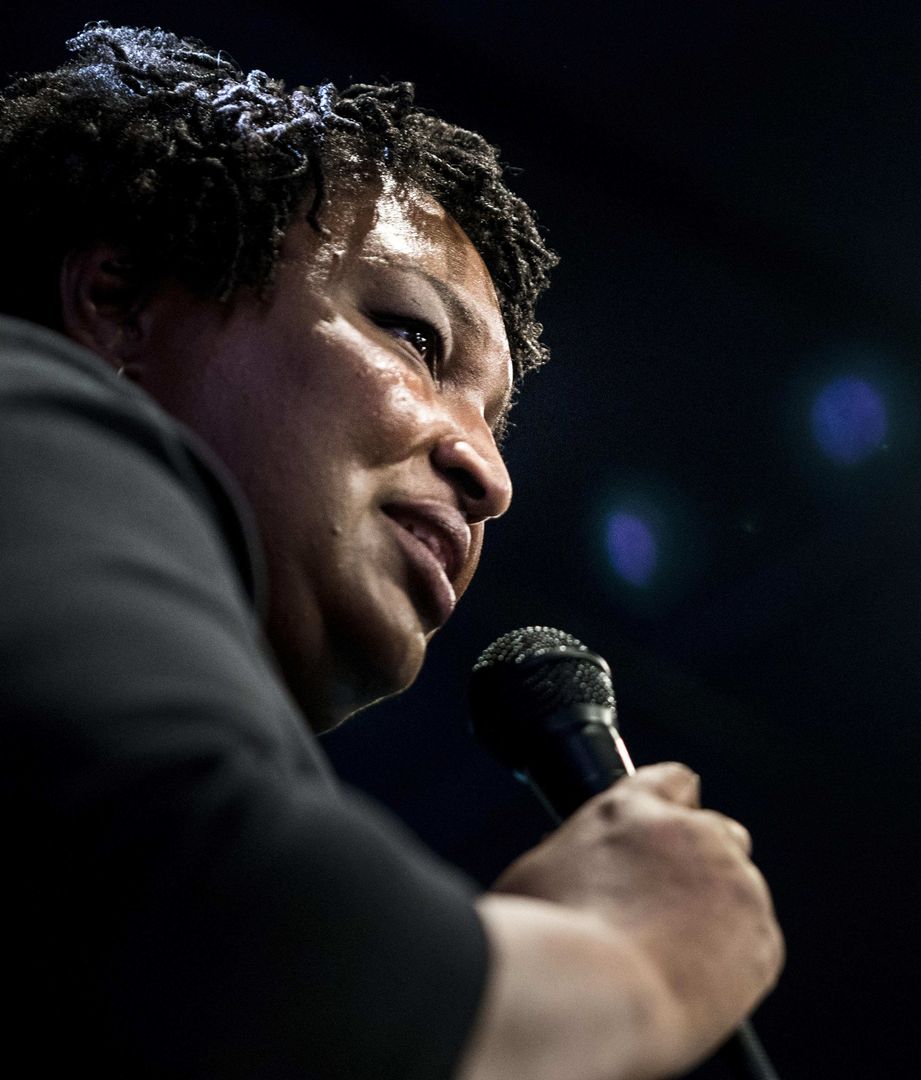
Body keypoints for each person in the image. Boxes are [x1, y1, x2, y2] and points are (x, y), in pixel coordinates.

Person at [0, 23, 782, 1079]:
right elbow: (236, 935)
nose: (490, 476)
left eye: (498, 423)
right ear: (119, 301)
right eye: (414, 337)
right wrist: (626, 968)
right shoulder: (23, 413)